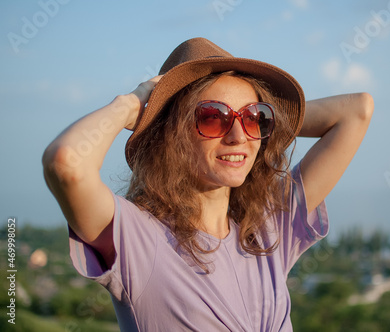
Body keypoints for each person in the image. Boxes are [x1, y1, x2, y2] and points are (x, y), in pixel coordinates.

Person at [42, 37, 373, 331]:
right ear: (172, 134)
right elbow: (66, 162)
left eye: (254, 117)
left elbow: (357, 110)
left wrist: (269, 122)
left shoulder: (267, 230)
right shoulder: (137, 240)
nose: (238, 136)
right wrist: (135, 104)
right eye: (213, 117)